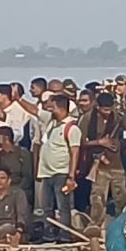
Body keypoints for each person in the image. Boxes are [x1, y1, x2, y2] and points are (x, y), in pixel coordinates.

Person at [81, 90, 126, 227]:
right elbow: (80, 142)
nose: (108, 112)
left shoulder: (118, 117)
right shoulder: (87, 118)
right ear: (97, 107)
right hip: (98, 165)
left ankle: (123, 225)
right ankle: (95, 226)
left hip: (117, 165)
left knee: (121, 198)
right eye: (105, 110)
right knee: (97, 199)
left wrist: (121, 144)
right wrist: (100, 142)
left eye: (110, 109)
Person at [34, 93, 82, 240]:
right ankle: (49, 233)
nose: (49, 109)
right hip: (46, 172)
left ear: (60, 108)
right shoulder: (51, 123)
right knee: (46, 207)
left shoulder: (72, 128)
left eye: (52, 106)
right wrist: (18, 99)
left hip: (62, 172)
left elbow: (75, 153)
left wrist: (71, 176)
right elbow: (35, 111)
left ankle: (65, 234)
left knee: (63, 207)